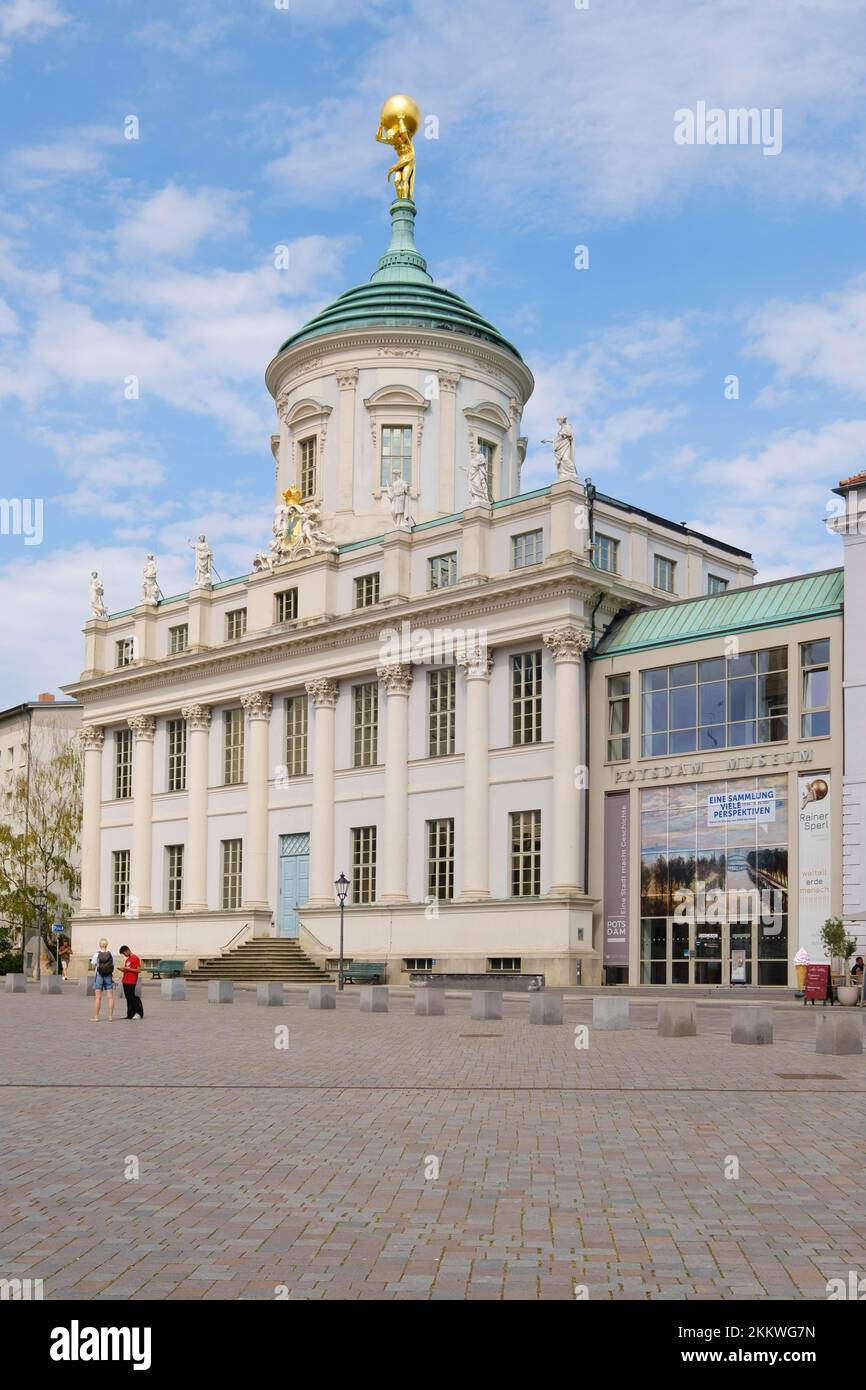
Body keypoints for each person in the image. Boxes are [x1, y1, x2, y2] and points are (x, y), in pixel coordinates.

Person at [90, 938, 116, 1021]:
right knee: (110, 997)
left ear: (99, 945)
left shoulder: (96, 954)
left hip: (99, 976)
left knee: (98, 998)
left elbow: (93, 966)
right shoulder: (110, 954)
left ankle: (96, 1017)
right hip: (108, 976)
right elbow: (113, 965)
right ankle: (110, 1017)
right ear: (107, 945)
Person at [119, 945, 144, 1020]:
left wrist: (127, 969)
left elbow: (138, 970)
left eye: (124, 953)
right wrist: (123, 970)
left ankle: (138, 1013)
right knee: (128, 998)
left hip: (131, 981)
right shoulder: (128, 959)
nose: (124, 955)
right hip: (125, 980)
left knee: (132, 997)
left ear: (127, 950)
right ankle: (130, 1014)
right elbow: (128, 969)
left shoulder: (135, 958)